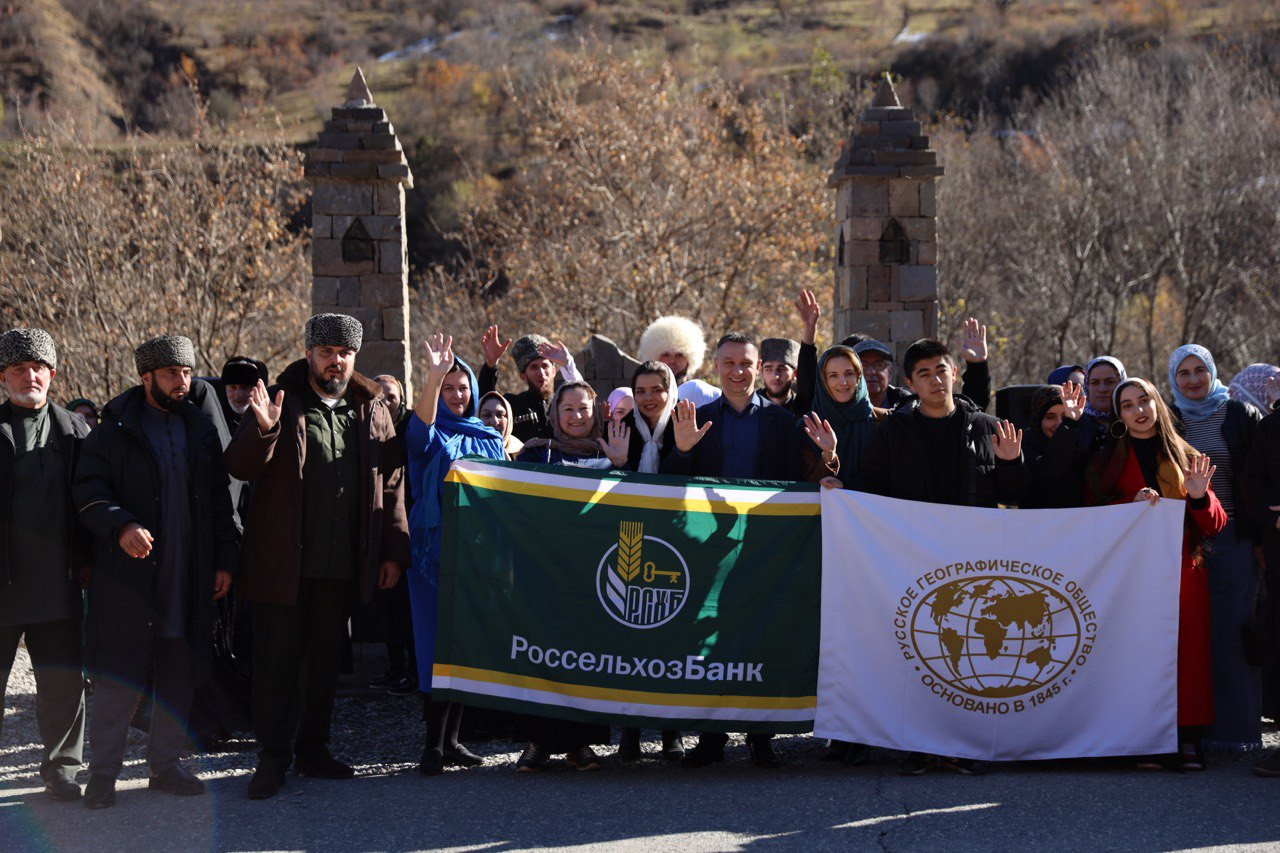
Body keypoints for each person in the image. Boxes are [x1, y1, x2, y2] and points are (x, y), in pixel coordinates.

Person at [225, 313, 409, 800]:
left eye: (344, 353)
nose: (336, 361)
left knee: (324, 664)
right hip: (282, 564)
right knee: (275, 664)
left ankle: (313, 749)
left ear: (355, 358)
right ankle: (272, 758)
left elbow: (391, 485)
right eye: (326, 352)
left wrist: (393, 550)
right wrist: (261, 430)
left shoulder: (372, 409)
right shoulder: (280, 400)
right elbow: (240, 466)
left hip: (342, 563)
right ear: (309, 353)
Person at [73, 334, 239, 809]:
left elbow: (219, 504)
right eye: (171, 373)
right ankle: (102, 774)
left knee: (178, 674)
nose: (182, 381)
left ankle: (165, 766)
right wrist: (120, 524)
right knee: (117, 679)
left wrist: (225, 561)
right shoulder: (114, 429)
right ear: (146, 377)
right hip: (128, 579)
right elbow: (88, 492)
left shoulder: (201, 430)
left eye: (187, 372)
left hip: (188, 575)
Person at [661, 332, 837, 768]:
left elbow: (808, 480)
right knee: (710, 639)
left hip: (765, 549)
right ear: (716, 368)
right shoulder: (694, 418)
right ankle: (711, 736)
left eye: (746, 364)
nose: (738, 372)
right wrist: (682, 451)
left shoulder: (784, 423)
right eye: (729, 364)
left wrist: (830, 459)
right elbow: (666, 485)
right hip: (708, 550)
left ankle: (761, 736)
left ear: (759, 369)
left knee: (762, 636)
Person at [855, 338, 1028, 776]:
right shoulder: (892, 430)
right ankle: (919, 745)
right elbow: (871, 490)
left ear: (955, 372)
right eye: (925, 374)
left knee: (973, 652)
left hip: (976, 563)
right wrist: (841, 492)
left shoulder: (987, 427)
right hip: (911, 560)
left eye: (942, 369)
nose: (936, 379)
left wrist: (1011, 463)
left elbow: (1016, 499)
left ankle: (968, 744)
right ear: (910, 383)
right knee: (921, 654)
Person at [1086, 377, 1225, 770]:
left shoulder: (1185, 454)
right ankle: (1146, 740)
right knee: (1138, 655)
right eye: (1127, 405)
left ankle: (1188, 741)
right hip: (1130, 575)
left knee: (1186, 656)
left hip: (1183, 568)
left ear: (1158, 405)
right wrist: (1129, 506)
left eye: (1144, 400)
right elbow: (1089, 520)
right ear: (1119, 416)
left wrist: (1197, 496)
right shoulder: (1105, 462)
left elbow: (1215, 524)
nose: (1138, 410)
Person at [406, 334, 508, 775]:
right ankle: (431, 745)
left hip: (477, 554)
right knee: (434, 646)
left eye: (461, 387)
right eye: (448, 388)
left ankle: (453, 742)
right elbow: (420, 426)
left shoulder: (487, 436)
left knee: (464, 646)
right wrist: (432, 375)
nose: (456, 394)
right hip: (433, 554)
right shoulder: (428, 434)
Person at [513, 381, 622, 771]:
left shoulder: (611, 453)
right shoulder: (537, 454)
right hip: (544, 575)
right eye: (568, 410)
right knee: (543, 655)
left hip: (594, 577)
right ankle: (537, 742)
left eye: (584, 409)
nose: (577, 417)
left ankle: (580, 744)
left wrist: (622, 466)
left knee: (587, 660)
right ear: (555, 415)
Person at [0, 329, 89, 802]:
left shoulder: (77, 432)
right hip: (3, 583)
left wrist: (90, 563)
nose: (29, 376)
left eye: (38, 368)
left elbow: (95, 500)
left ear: (52, 374)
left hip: (58, 582)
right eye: (18, 368)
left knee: (62, 684)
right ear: (3, 377)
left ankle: (62, 769)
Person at [1167, 344, 1264, 753]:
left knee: (1234, 633)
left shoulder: (1240, 415)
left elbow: (1261, 472)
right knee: (1193, 636)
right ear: (1173, 379)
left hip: (1236, 538)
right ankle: (1195, 734)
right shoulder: (1169, 420)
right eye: (1183, 373)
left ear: (1212, 372)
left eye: (1199, 371)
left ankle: (1238, 734)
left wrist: (1261, 537)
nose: (1192, 380)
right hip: (1188, 541)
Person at [808, 344, 882, 767]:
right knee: (830, 638)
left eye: (849, 374)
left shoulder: (882, 423)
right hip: (819, 547)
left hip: (869, 551)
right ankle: (835, 729)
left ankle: (865, 728)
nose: (842, 382)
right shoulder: (807, 424)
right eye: (833, 375)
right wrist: (828, 459)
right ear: (822, 380)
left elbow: (887, 480)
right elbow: (798, 481)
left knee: (865, 638)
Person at [367, 373, 417, 696]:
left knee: (407, 608)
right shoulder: (366, 429)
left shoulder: (410, 430)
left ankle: (412, 671)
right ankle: (395, 667)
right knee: (385, 605)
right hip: (377, 526)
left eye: (392, 398)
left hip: (409, 525)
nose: (386, 402)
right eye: (380, 397)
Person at [853, 317, 991, 412]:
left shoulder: (909, 410)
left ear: (890, 373)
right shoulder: (836, 411)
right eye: (864, 366)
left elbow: (971, 412)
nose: (871, 372)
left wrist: (977, 366)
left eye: (878, 365)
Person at [478, 327, 585, 443]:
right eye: (534, 367)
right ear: (523, 376)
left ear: (554, 371)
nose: (541, 372)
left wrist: (567, 365)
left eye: (545, 366)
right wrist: (490, 366)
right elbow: (485, 402)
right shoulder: (512, 405)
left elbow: (584, 400)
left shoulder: (565, 404)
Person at [1021, 382, 1091, 509]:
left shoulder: (1082, 441)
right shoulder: (1024, 444)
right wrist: (1068, 425)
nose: (1059, 423)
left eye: (1065, 416)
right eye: (1050, 417)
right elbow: (1050, 471)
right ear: (1038, 418)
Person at [759, 290, 823, 416]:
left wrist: (809, 328)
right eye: (768, 368)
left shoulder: (803, 407)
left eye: (781, 369)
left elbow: (807, 371)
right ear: (760, 373)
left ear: (795, 374)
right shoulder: (750, 407)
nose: (775, 376)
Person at [638, 316, 721, 408]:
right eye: (666, 354)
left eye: (679, 355)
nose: (672, 360)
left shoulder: (705, 395)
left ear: (690, 358)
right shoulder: (643, 400)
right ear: (654, 357)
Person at [622, 361, 678, 475]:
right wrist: (620, 464)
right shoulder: (623, 429)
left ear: (670, 392)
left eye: (656, 390)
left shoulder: (686, 425)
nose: (648, 398)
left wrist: (683, 452)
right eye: (641, 391)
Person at [1078, 356, 1127, 456]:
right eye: (1094, 383)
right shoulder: (1076, 424)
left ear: (1122, 383)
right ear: (1086, 386)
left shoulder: (1133, 419)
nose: (1102, 389)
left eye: (1109, 382)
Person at [219, 357, 269, 432]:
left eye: (244, 388)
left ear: (260, 390)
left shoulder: (273, 421)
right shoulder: (216, 420)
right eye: (233, 387)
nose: (238, 395)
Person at [478, 392, 523, 458]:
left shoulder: (523, 452)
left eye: (500, 415)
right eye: (487, 415)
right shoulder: (468, 452)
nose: (494, 421)